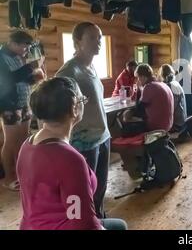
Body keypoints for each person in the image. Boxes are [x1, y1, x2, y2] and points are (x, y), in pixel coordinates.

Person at [17, 77, 127, 230]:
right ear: (74, 108)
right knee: (120, 226)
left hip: (31, 225)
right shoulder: (69, 160)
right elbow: (82, 222)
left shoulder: (28, 145)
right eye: (82, 99)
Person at [56, 22, 110, 218]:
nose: (98, 42)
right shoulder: (68, 72)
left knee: (101, 188)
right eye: (92, 38)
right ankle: (89, 222)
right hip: (84, 140)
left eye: (100, 38)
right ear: (77, 41)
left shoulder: (92, 67)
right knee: (86, 191)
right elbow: (60, 108)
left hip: (103, 135)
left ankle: (100, 219)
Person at [0, 30, 45, 191]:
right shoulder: (1, 57)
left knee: (22, 140)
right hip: (8, 105)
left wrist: (35, 77)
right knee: (10, 142)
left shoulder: (18, 57)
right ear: (14, 43)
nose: (26, 51)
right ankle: (8, 178)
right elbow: (7, 80)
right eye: (25, 47)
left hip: (24, 103)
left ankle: (21, 174)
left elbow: (22, 79)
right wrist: (30, 67)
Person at [132, 64, 174, 132]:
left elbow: (138, 111)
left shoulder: (149, 87)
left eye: (138, 77)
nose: (137, 81)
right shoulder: (162, 84)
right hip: (168, 124)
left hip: (157, 126)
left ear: (143, 77)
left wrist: (138, 90)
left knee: (127, 121)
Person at [159, 64, 187, 132]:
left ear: (162, 75)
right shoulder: (175, 83)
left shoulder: (170, 86)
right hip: (182, 116)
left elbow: (171, 107)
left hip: (177, 121)